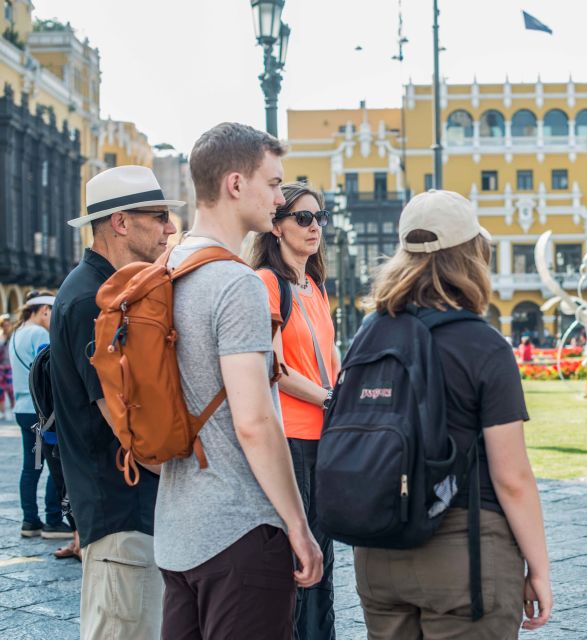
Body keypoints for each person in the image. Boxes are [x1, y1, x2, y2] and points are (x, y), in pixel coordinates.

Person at [355, 189, 552, 639]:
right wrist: (538, 567)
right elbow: (512, 477)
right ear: (472, 254)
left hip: (378, 549)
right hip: (464, 549)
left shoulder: (371, 332)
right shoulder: (481, 345)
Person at [155, 122, 323, 639]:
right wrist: (299, 525)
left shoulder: (166, 267)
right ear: (235, 184)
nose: (279, 197)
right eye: (273, 184)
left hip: (177, 531)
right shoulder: (236, 282)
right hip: (241, 531)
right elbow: (254, 421)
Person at [51, 164, 181, 639]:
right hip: (121, 511)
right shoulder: (92, 300)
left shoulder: (104, 291)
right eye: (160, 216)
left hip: (124, 510)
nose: (169, 227)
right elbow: (123, 421)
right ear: (121, 222)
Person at [250, 182, 338, 639]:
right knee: (301, 558)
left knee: (324, 554)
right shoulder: (268, 283)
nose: (314, 227)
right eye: (303, 218)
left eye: (319, 218)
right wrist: (328, 397)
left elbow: (329, 358)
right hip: (293, 438)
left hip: (325, 436)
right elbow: (275, 367)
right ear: (277, 226)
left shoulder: (314, 287)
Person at [8, 291, 73, 543]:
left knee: (32, 466)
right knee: (55, 462)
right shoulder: (39, 334)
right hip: (41, 411)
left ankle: (30, 520)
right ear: (45, 311)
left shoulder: (18, 333)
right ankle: (54, 520)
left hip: (22, 409)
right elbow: (50, 368)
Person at [0, 314, 13, 421]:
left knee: (11, 389)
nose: (6, 327)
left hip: (10, 367)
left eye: (8, 325)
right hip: (1, 367)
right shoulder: (0, 337)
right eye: (4, 325)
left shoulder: (13, 337)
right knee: (1, 390)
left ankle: (14, 409)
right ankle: (2, 412)